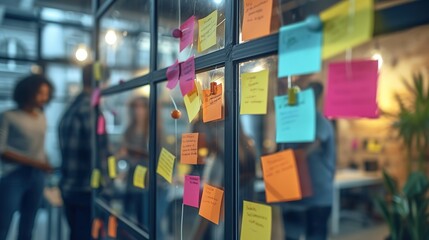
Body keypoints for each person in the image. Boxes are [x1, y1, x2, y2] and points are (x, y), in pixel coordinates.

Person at [0, 74, 54, 240]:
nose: (44, 98)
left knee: (28, 227)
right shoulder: (9, 116)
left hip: (37, 177)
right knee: (3, 224)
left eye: (46, 94)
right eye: (40, 93)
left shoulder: (41, 117)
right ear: (28, 92)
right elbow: (1, 150)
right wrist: (36, 163)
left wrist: (44, 162)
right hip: (13, 175)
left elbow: (39, 146)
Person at [58, 63, 109, 240]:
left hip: (70, 186)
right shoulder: (90, 109)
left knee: (76, 234)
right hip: (85, 189)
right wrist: (108, 180)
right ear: (101, 82)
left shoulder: (73, 106)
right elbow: (96, 152)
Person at [282, 82, 336, 240]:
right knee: (291, 235)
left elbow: (308, 148)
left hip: (317, 198)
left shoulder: (319, 121)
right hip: (295, 196)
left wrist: (278, 163)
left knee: (315, 235)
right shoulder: (292, 123)